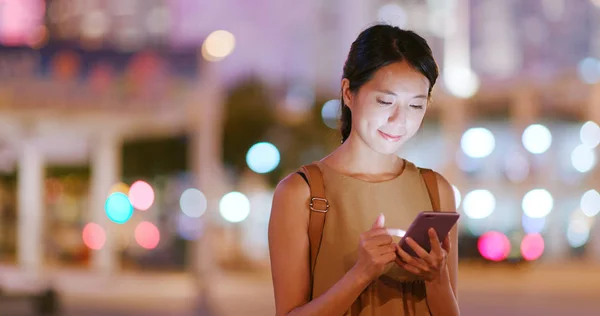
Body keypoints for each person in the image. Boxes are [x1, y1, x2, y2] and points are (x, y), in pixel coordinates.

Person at [268, 24, 459, 316]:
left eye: (416, 106)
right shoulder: (301, 192)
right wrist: (361, 274)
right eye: (385, 101)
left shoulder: (436, 190)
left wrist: (437, 278)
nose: (399, 120)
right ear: (348, 92)